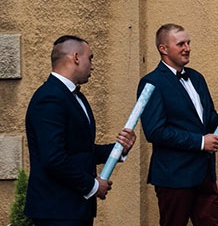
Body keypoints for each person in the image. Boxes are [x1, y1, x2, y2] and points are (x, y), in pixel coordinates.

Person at [24, 35, 136, 226]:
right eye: (90, 58)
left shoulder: (75, 96)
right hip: (57, 209)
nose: (92, 65)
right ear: (76, 57)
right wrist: (92, 186)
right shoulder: (49, 98)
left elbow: (81, 150)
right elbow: (54, 158)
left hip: (75, 209)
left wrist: (119, 149)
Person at [138, 23, 218, 226]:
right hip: (174, 177)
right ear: (163, 49)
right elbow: (155, 131)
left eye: (188, 43)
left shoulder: (197, 78)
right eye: (181, 43)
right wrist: (201, 142)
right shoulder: (152, 82)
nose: (187, 48)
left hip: (204, 174)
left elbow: (205, 119)